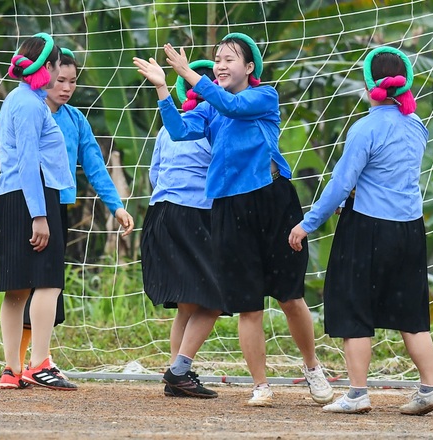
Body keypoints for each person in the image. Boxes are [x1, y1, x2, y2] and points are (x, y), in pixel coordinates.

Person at [133, 33, 334, 407]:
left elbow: (232, 106)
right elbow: (178, 131)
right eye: (217, 59)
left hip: (273, 203)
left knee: (290, 298)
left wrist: (186, 73)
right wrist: (163, 89)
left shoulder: (263, 96)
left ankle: (312, 367)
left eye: (229, 59)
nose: (221, 65)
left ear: (249, 67)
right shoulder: (209, 108)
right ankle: (261, 384)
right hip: (228, 209)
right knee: (248, 306)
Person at [288, 46, 433, 416]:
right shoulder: (417, 125)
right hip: (409, 230)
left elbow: (342, 184)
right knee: (412, 312)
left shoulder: (365, 128)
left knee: (354, 307)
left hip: (368, 229)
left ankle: (357, 394)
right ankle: (430, 388)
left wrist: (307, 223)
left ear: (368, 83)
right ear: (405, 81)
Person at [0, 47, 134, 385]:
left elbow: (95, 165)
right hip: (32, 200)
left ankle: (20, 367)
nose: (67, 86)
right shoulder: (27, 107)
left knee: (34, 290)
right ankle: (33, 363)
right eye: (61, 78)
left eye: (73, 81)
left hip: (55, 203)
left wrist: (115, 204)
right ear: (46, 73)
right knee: (38, 284)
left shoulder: (75, 119)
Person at [141, 60, 223, 399]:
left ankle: (179, 374)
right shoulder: (219, 123)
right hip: (193, 216)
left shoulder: (167, 127)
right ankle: (180, 369)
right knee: (215, 299)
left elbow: (153, 175)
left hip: (160, 213)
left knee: (188, 305)